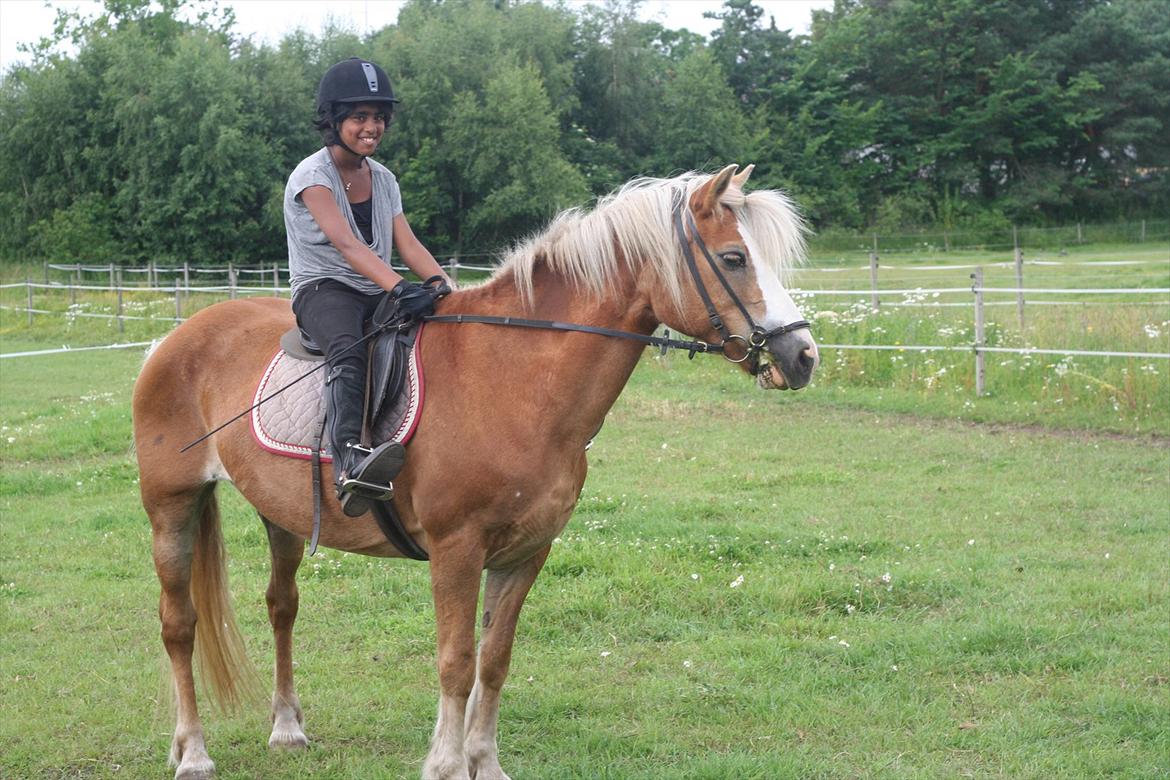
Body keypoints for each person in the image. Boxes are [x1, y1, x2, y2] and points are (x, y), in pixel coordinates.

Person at [284, 57, 453, 517]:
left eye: (378, 117)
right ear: (333, 119)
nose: (371, 126)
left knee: (426, 334)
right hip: (324, 288)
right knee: (348, 347)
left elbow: (408, 241)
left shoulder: (384, 179)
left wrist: (441, 285)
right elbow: (346, 245)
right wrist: (400, 289)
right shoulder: (311, 178)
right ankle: (349, 460)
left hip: (374, 285)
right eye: (359, 117)